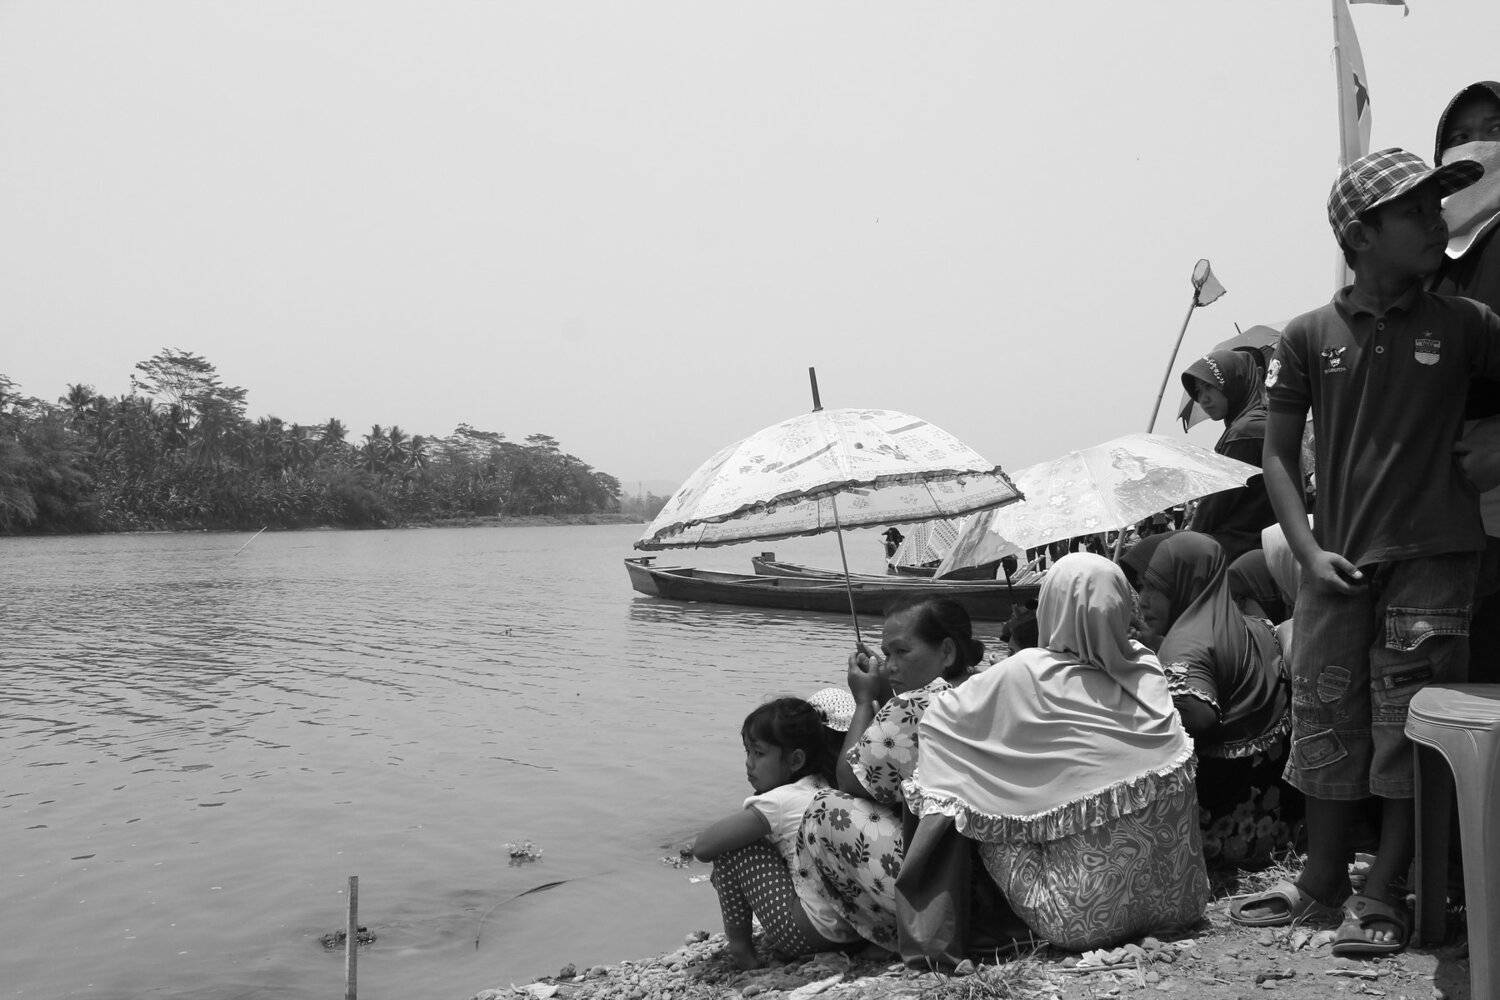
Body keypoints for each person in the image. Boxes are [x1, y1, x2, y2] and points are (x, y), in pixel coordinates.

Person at [1254, 148, 1500, 955]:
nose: (1437, 221)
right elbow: (1278, 456)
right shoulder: (1306, 335)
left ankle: (1385, 887)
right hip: (1335, 564)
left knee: (1407, 727)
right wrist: (1306, 551)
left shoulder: (1467, 325)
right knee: (1326, 720)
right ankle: (1322, 878)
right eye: (1416, 211)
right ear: (1360, 235)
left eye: (1438, 205)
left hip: (1434, 558)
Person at [903, 553, 1210, 951]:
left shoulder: (1027, 670)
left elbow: (939, 721)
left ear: (1049, 607)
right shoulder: (1146, 668)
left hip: (1080, 923)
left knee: (969, 787)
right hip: (1183, 901)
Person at [794, 596, 983, 951]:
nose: (891, 665)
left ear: (946, 651)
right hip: (987, 876)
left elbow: (850, 779)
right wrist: (887, 696)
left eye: (901, 652)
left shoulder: (918, 703)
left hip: (953, 889)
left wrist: (863, 702)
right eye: (886, 654)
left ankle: (891, 931)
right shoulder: (984, 684)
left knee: (825, 808)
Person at [1121, 531, 1297, 869]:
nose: (1143, 601)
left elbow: (1199, 717)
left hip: (1223, 834)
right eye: (1143, 588)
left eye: (1155, 588)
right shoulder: (1253, 625)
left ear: (1187, 584)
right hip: (1277, 822)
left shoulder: (1185, 645)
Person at [693, 697, 859, 968]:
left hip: (811, 933)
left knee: (734, 848)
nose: (749, 764)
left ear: (795, 760)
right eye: (747, 752)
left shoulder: (780, 801)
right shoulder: (827, 784)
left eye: (758, 754)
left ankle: (741, 951)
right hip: (855, 928)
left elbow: (703, 848)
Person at [1435, 81, 1500, 684]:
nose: (1475, 146)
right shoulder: (1431, 258)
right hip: (1444, 523)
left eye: (1493, 131)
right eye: (1458, 137)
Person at [1180, 349, 1278, 562]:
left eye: (1210, 387)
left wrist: (1187, 545)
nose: (1203, 399)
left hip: (1239, 552)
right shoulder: (1265, 420)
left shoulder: (1244, 432)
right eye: (1198, 391)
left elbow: (1214, 508)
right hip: (1263, 549)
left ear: (1235, 382)